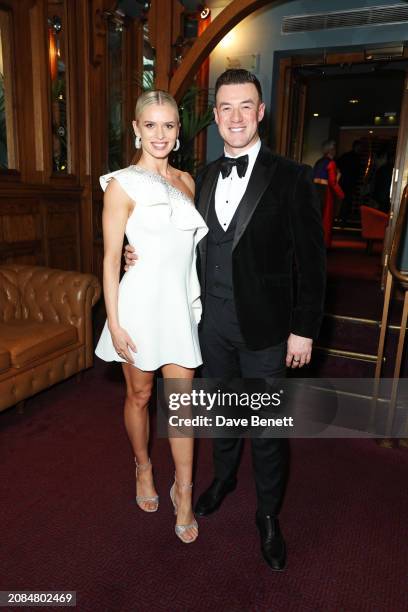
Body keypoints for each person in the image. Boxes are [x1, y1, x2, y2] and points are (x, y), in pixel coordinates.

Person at [125, 69, 326, 571]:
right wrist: (137, 256)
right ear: (215, 117)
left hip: (266, 329)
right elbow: (176, 240)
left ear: (261, 112)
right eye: (226, 108)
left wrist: (302, 329)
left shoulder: (293, 176)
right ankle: (222, 479)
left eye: (246, 107)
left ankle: (267, 518)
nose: (236, 117)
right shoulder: (201, 176)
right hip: (207, 324)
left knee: (266, 429)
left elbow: (312, 261)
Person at [95, 90, 208, 544]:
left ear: (178, 133)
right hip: (138, 306)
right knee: (140, 396)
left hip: (179, 306)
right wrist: (115, 322)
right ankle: (143, 467)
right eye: (151, 125)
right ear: (137, 129)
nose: (160, 134)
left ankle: (184, 492)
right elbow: (108, 259)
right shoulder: (121, 184)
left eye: (169, 126)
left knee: (181, 406)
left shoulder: (187, 183)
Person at [313, 140, 344, 247]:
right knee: (325, 219)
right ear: (331, 150)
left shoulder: (318, 161)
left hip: (315, 190)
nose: (335, 151)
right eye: (334, 149)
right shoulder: (331, 163)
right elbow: (332, 182)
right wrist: (341, 195)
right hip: (325, 192)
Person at [337, 140, 363, 225]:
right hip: (349, 183)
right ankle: (343, 218)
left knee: (343, 200)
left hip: (343, 182)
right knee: (347, 201)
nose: (360, 149)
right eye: (359, 147)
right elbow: (357, 173)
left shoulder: (346, 156)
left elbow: (338, 165)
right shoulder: (357, 158)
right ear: (356, 147)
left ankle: (340, 217)